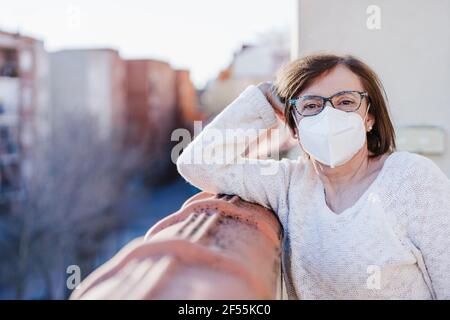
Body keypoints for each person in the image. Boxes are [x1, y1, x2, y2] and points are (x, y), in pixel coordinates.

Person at [176, 53, 450, 299]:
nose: (329, 115)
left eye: (345, 102)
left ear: (369, 118)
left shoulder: (412, 179)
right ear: (294, 129)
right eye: (311, 105)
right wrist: (261, 100)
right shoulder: (287, 184)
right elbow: (197, 163)